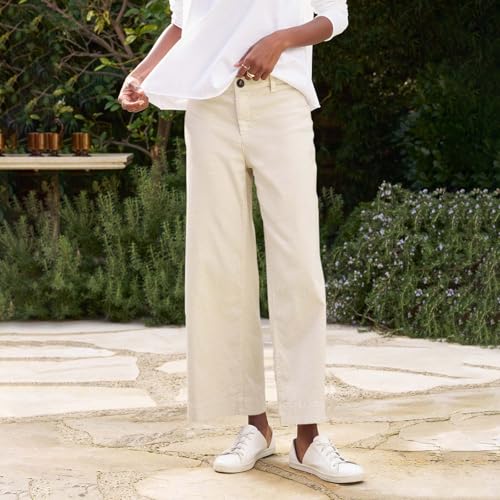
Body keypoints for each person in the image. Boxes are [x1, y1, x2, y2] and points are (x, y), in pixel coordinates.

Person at [118, 0, 365, 484]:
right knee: (222, 267)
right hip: (210, 108)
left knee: (299, 269)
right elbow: (183, 24)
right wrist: (140, 73)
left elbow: (334, 16)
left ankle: (308, 437)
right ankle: (255, 426)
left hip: (281, 100)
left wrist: (280, 40)